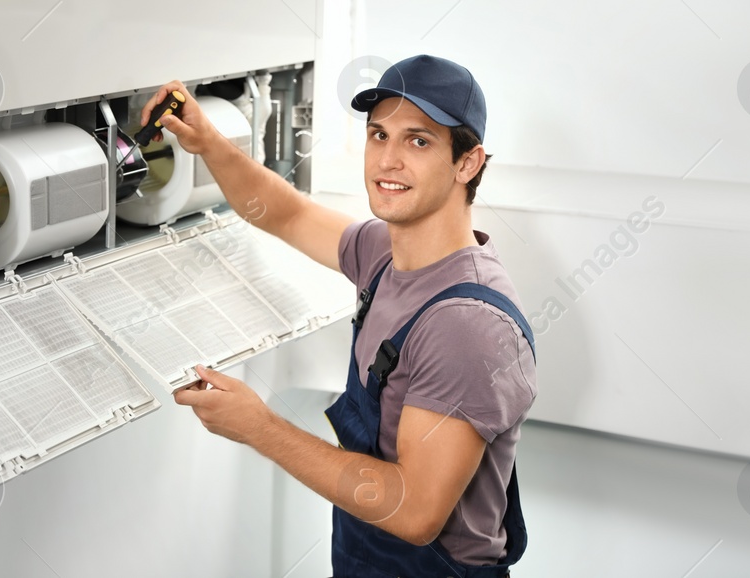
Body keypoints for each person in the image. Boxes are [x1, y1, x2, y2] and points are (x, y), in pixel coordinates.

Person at [148, 55, 536, 577]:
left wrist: (260, 427)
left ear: (467, 163)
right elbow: (286, 212)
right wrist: (209, 142)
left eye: (418, 141)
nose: (388, 161)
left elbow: (416, 510)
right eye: (380, 135)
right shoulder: (384, 251)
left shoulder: (467, 324)